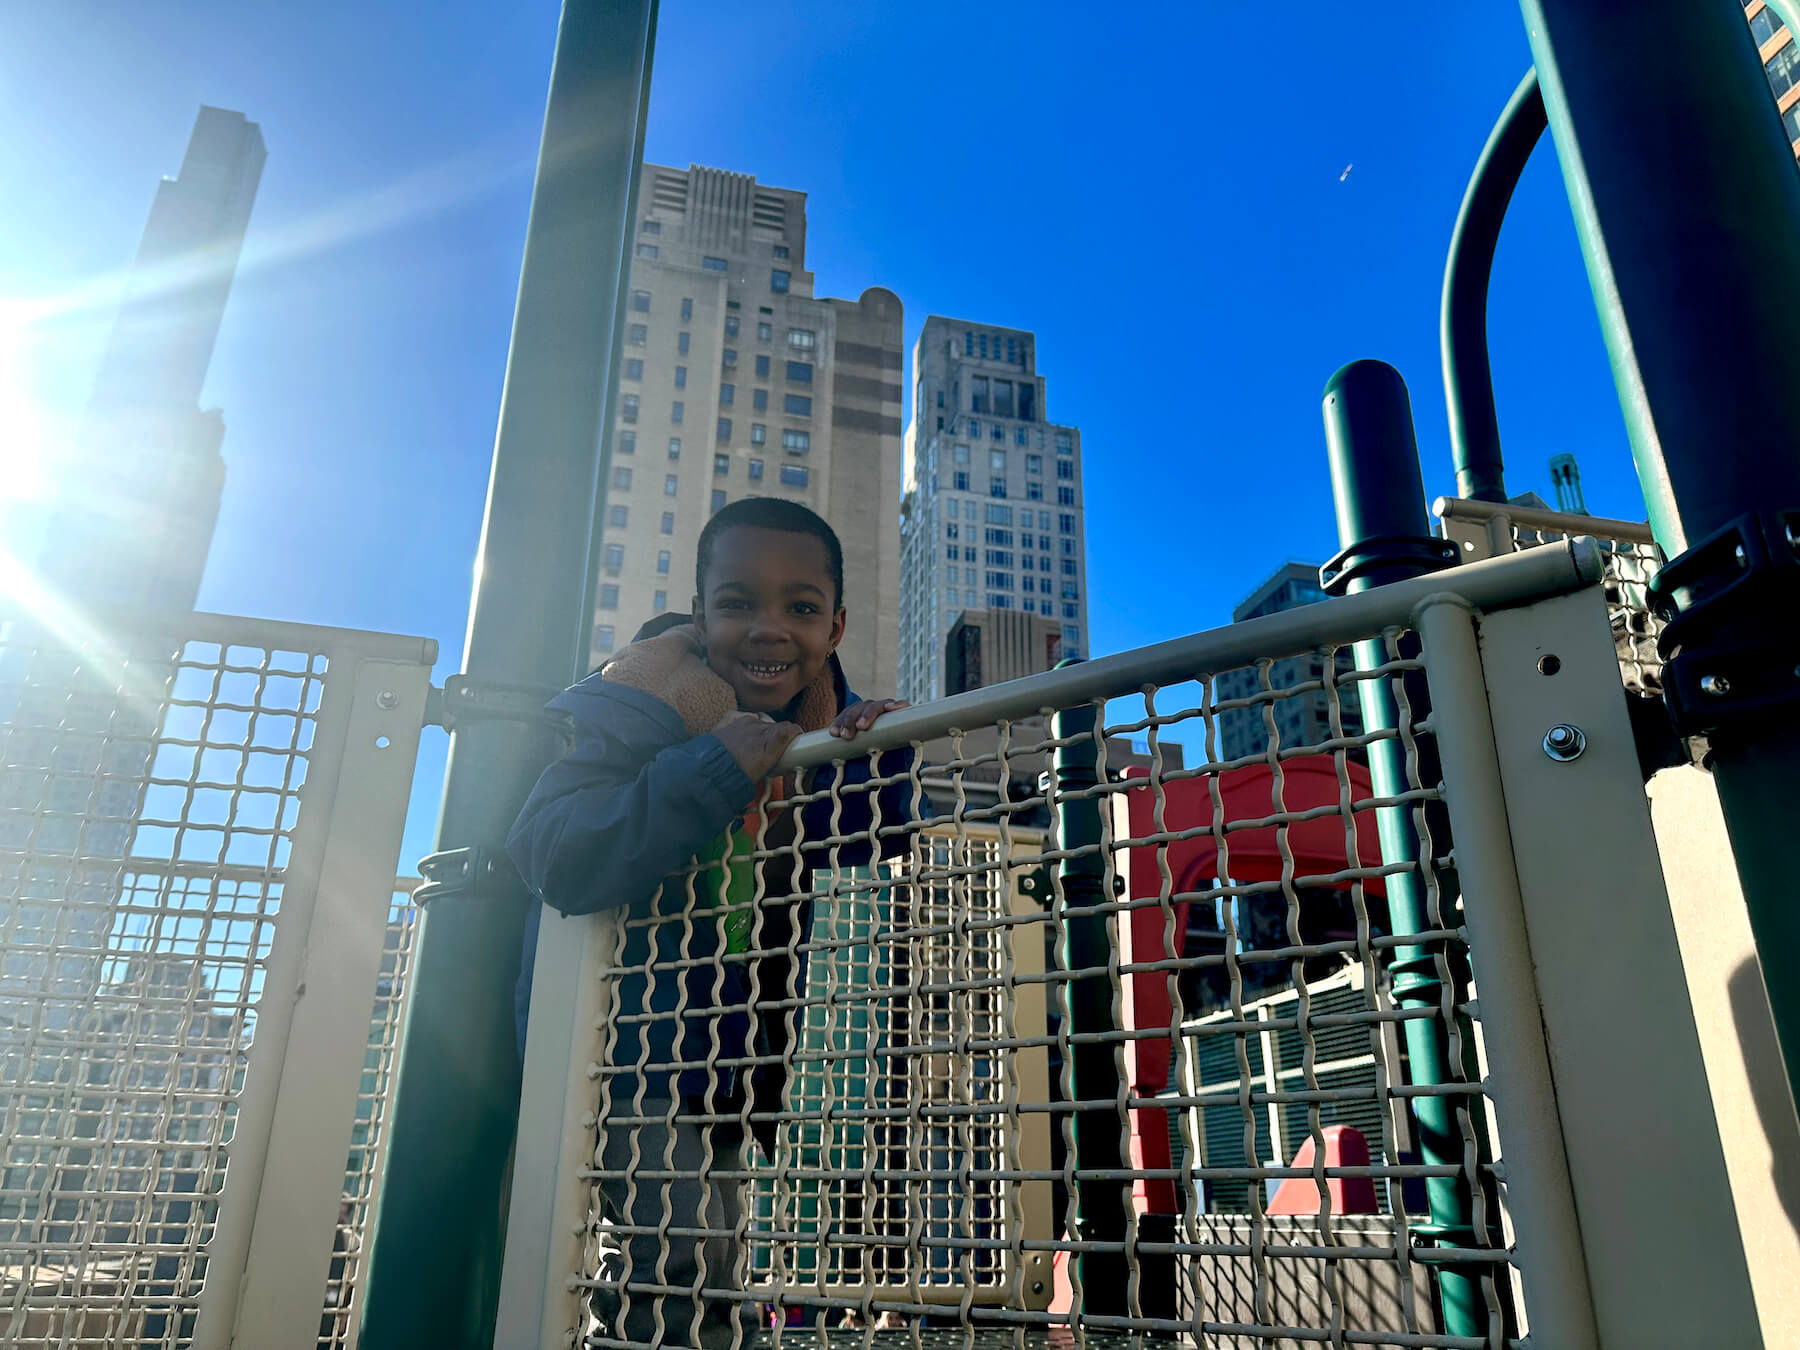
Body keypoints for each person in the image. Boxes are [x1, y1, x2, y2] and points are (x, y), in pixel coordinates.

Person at [508, 497, 915, 1350]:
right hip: (627, 1051)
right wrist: (709, 766)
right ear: (701, 616)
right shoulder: (639, 703)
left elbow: (863, 841)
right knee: (678, 1268)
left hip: (729, 1061)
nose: (770, 630)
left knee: (716, 1269)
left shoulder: (802, 727)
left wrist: (872, 753)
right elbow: (553, 850)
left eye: (801, 609)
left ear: (834, 627)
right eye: (738, 604)